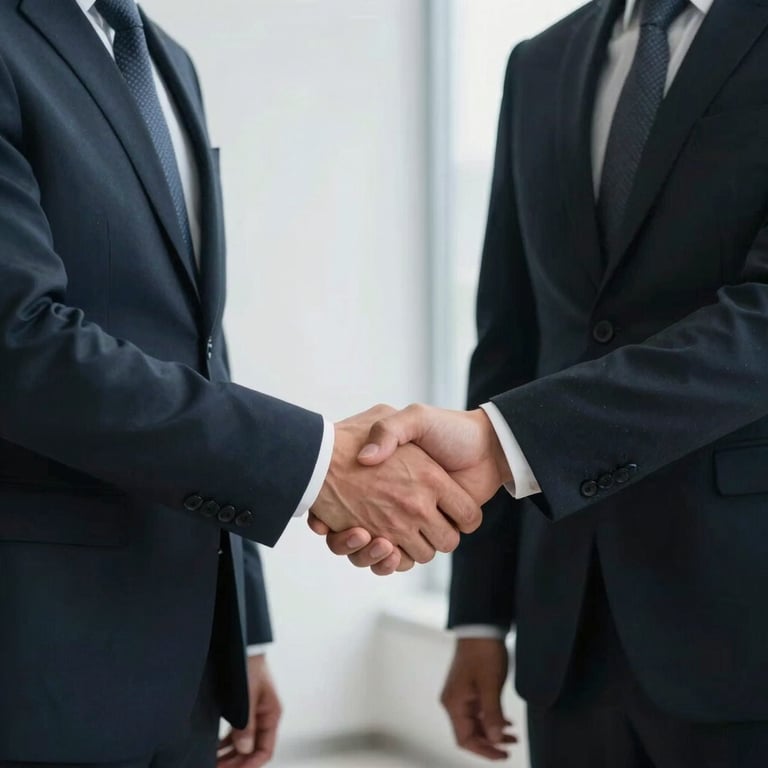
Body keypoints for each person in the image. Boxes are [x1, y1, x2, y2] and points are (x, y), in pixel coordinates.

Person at [0, 1, 484, 766]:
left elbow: (198, 349)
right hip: (37, 644)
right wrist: (318, 463)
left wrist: (244, 628)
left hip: (185, 645)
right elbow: (18, 341)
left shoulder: (163, 57)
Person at [321, 0, 768, 764]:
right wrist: (479, 619)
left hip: (742, 613)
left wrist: (506, 440)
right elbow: (510, 338)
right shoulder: (540, 62)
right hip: (568, 623)